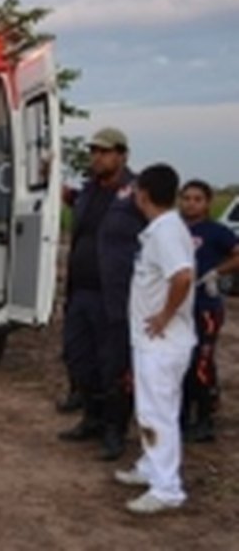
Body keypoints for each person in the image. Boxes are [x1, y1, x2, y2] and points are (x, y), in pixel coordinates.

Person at [58, 127, 145, 461]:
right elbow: (72, 209)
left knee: (114, 366)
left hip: (116, 297)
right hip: (80, 292)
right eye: (94, 151)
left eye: (105, 151)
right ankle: (91, 419)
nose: (97, 157)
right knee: (79, 359)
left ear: (122, 155)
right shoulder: (89, 192)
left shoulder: (137, 193)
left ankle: (114, 431)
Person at [114, 164, 196, 515]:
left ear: (143, 194)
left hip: (162, 342)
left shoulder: (165, 232)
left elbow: (182, 277)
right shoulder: (162, 229)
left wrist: (164, 315)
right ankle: (151, 466)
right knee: (155, 408)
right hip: (153, 341)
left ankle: (166, 487)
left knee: (157, 412)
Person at [178, 179, 239, 442]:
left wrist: (217, 272)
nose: (191, 204)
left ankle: (204, 418)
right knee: (180, 362)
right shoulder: (174, 229)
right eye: (187, 198)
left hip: (206, 307)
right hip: (180, 306)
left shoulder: (216, 231)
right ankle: (182, 415)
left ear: (207, 202)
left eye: (197, 199)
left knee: (200, 362)